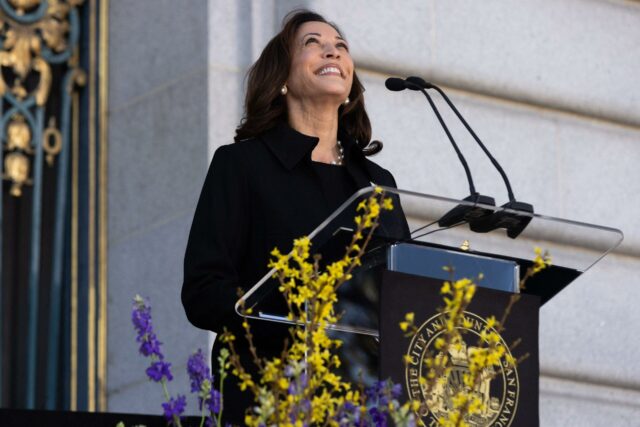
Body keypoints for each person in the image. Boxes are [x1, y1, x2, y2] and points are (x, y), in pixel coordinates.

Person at [181, 10, 409, 422]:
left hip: (364, 399)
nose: (333, 50)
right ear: (282, 78)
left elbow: (404, 291)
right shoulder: (243, 166)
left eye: (341, 45)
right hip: (270, 390)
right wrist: (291, 316)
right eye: (313, 43)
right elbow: (203, 291)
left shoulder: (377, 182)